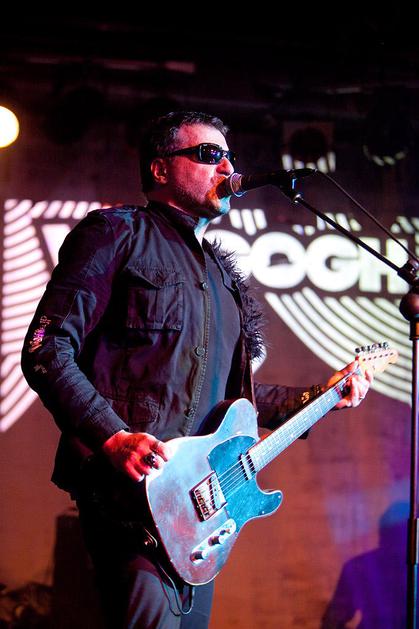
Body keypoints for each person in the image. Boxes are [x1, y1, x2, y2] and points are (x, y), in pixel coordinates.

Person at [21, 111, 372, 629]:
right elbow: (47, 348)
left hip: (200, 509)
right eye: (209, 155)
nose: (227, 167)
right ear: (160, 168)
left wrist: (322, 395)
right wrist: (112, 437)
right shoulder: (116, 233)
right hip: (130, 496)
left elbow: (237, 400)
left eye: (229, 156)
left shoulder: (224, 282)